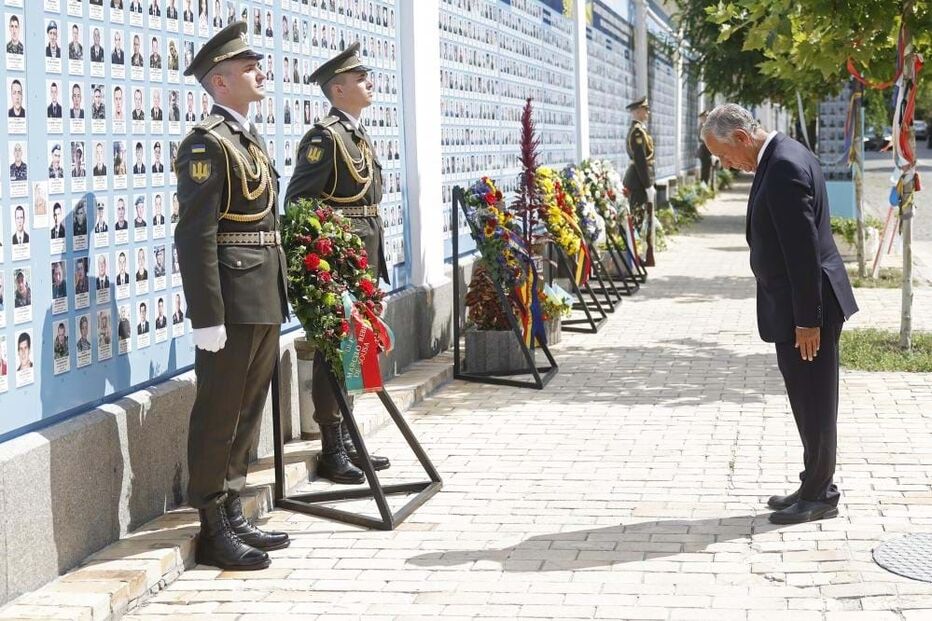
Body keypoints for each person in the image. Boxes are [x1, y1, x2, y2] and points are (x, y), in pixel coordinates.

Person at [701, 103, 860, 525]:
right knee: (806, 399)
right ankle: (812, 484)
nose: (725, 164)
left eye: (722, 155)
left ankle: (821, 494)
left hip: (808, 310)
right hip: (799, 306)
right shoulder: (783, 153)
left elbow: (802, 251)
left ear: (740, 137)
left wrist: (807, 319)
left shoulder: (784, 165)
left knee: (815, 401)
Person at [175, 21, 290, 571]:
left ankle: (234, 503)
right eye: (247, 67)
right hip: (231, 296)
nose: (258, 72)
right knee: (219, 409)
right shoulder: (207, 143)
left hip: (263, 288)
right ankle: (212, 520)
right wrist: (206, 314)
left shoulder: (249, 137)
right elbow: (195, 233)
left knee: (248, 406)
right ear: (219, 83)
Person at [285, 41, 391, 486]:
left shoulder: (356, 133)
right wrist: (330, 254)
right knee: (334, 349)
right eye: (361, 78)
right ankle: (331, 447)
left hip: (363, 251)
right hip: (341, 259)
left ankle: (347, 438)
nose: (370, 83)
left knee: (354, 349)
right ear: (339, 88)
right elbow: (299, 202)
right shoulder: (323, 138)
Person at [622, 95, 656, 264]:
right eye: (645, 109)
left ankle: (638, 255)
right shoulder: (637, 132)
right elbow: (641, 161)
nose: (647, 112)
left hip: (639, 180)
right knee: (637, 220)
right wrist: (648, 185)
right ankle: (635, 257)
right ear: (637, 111)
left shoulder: (640, 130)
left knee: (639, 219)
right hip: (638, 182)